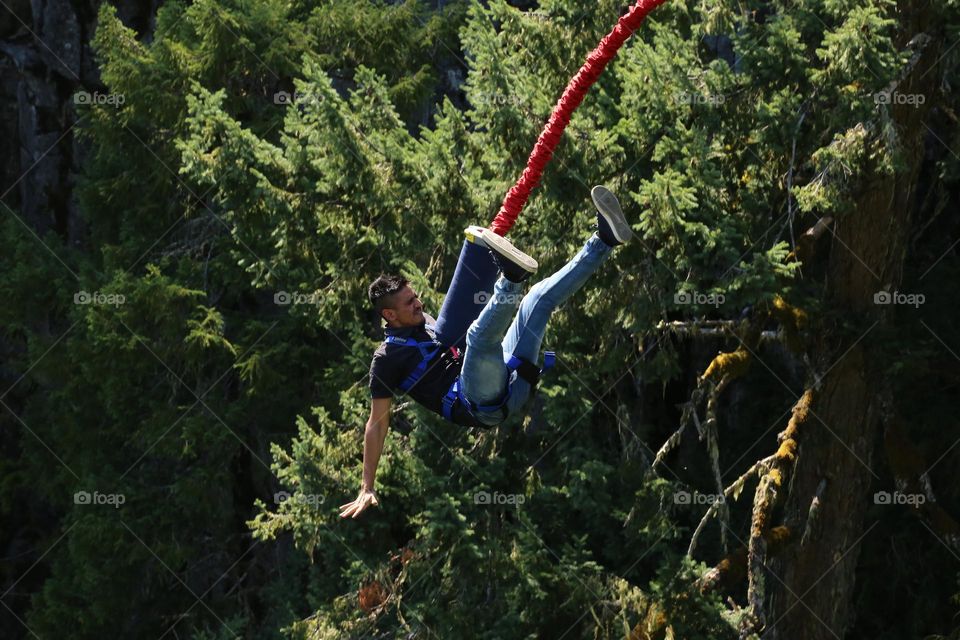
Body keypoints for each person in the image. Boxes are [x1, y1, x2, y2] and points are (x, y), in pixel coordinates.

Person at [339, 186, 634, 519]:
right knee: (479, 337)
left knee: (537, 299)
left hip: (507, 377)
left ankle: (604, 240)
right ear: (388, 315)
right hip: (477, 403)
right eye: (410, 303)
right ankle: (511, 279)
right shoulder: (386, 359)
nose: (419, 304)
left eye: (416, 296)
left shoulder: (426, 322)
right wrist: (367, 486)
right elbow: (376, 423)